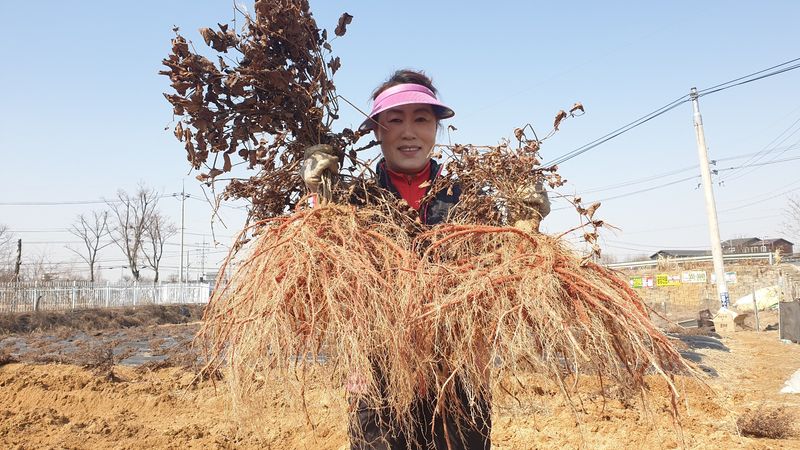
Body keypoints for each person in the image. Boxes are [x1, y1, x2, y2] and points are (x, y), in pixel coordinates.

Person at [301, 69, 550, 449]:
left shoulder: (470, 200)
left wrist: (525, 224)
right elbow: (320, 276)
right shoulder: (354, 203)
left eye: (422, 119)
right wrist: (320, 203)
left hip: (460, 380)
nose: (409, 131)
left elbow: (511, 282)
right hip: (376, 381)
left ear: (437, 128)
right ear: (377, 130)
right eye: (395, 120)